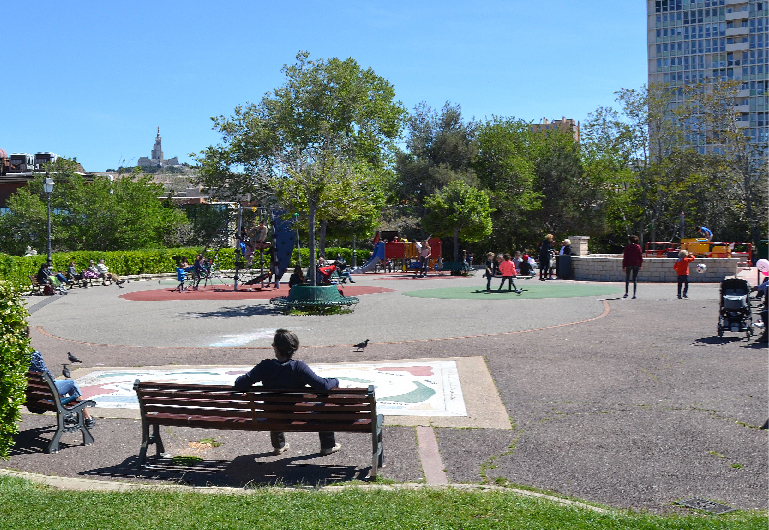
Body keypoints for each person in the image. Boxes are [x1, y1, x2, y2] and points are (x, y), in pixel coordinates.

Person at [233, 329, 341, 456]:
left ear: (276, 349)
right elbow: (323, 386)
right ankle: (327, 446)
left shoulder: (265, 366)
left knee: (272, 406)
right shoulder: (299, 367)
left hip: (271, 414)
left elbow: (239, 384)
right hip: (297, 414)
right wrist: (335, 381)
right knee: (323, 407)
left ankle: (279, 446)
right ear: (293, 348)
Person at [29, 349, 95, 428]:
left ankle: (67, 415)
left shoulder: (14, 354)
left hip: (32, 397)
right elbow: (46, 374)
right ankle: (88, 418)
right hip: (46, 391)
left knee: (56, 386)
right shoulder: (34, 354)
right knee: (71, 384)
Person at [622, 235, 643, 299]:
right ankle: (634, 294)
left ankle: (626, 293)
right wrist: (640, 264)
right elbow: (640, 256)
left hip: (629, 263)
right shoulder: (638, 247)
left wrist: (624, 266)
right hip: (636, 263)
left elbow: (625, 257)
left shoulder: (627, 247)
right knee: (635, 279)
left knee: (627, 278)